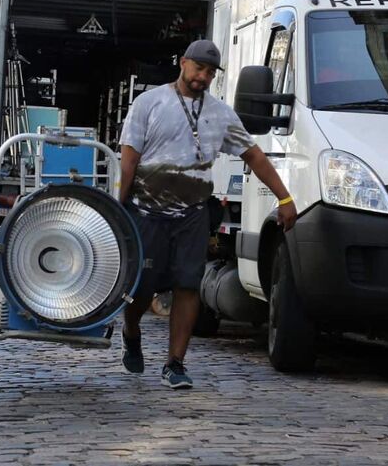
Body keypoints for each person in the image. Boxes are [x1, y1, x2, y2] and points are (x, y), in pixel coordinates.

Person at [118, 39, 297, 389]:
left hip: (192, 213)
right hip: (147, 211)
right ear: (183, 63)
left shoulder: (220, 114)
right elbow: (129, 157)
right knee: (142, 287)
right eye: (199, 68)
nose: (203, 76)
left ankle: (175, 363)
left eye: (210, 72)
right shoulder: (149, 103)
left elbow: (255, 157)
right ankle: (131, 329)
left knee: (188, 285)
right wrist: (119, 205)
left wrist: (285, 197)